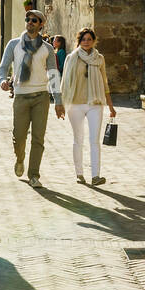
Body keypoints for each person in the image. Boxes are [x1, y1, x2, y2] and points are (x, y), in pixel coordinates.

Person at [0, 9, 56, 187]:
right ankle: (20, 158)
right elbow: (3, 67)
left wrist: (58, 100)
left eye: (34, 20)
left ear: (41, 24)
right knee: (19, 136)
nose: (30, 22)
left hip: (41, 97)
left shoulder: (48, 48)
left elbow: (53, 73)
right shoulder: (14, 44)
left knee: (38, 138)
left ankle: (34, 175)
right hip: (21, 97)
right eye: (28, 19)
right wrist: (2, 80)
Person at [55, 27, 117, 186]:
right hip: (75, 103)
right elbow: (64, 82)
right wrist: (60, 104)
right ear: (79, 41)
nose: (87, 42)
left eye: (89, 39)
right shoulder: (71, 57)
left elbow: (105, 83)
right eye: (84, 39)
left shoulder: (99, 58)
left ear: (94, 40)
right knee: (78, 139)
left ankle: (96, 176)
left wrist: (110, 106)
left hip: (95, 103)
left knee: (94, 140)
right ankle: (79, 173)